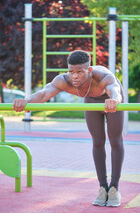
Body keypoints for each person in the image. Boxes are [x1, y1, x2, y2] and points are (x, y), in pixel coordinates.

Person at [13, 50, 124, 207]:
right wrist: (26, 101)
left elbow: (115, 90)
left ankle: (114, 188)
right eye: (71, 71)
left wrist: (114, 100)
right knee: (98, 141)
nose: (75, 76)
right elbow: (44, 94)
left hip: (111, 101)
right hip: (91, 100)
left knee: (115, 140)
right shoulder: (63, 80)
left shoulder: (104, 77)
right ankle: (102, 187)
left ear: (89, 70)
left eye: (80, 72)